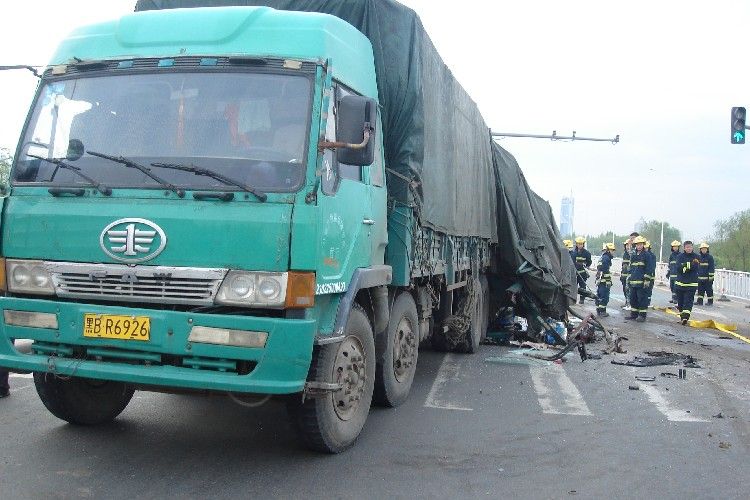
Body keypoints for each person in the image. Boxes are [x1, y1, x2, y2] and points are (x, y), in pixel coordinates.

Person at [626, 236, 654, 322]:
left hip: (642, 282)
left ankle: (642, 315)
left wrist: (647, 280)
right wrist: (629, 278)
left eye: (640, 244)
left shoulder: (647, 255)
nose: (639, 246)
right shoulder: (633, 255)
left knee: (642, 299)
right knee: (633, 298)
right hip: (633, 281)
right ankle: (634, 314)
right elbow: (631, 268)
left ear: (643, 245)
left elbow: (649, 268)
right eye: (637, 244)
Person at [675, 241, 700, 324]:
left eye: (690, 247)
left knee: (688, 301)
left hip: (691, 283)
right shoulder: (679, 256)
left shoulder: (696, 257)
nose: (689, 248)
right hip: (680, 283)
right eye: (687, 247)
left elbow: (695, 267)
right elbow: (678, 268)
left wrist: (685, 266)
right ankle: (682, 317)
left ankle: (685, 317)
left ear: (692, 247)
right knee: (680, 302)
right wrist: (689, 265)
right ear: (684, 248)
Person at [596, 243, 615, 317]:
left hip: (600, 281)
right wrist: (608, 281)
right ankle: (602, 311)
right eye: (612, 250)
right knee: (604, 296)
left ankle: (598, 309)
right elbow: (605, 271)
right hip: (604, 281)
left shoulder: (602, 257)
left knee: (599, 295)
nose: (613, 252)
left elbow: (599, 270)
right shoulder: (606, 258)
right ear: (608, 250)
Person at [571, 236, 592, 304]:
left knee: (582, 286)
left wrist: (586, 265)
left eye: (581, 244)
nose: (580, 245)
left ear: (583, 244)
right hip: (574, 273)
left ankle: (582, 299)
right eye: (578, 244)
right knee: (573, 287)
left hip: (582, 274)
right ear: (576, 244)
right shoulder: (573, 253)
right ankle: (573, 299)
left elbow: (589, 262)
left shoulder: (587, 253)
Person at [644, 240, 657, 306]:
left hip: (651, 276)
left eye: (646, 248)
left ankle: (648, 302)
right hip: (643, 276)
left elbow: (652, 266)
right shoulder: (642, 255)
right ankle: (644, 301)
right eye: (645, 248)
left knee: (649, 289)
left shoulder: (652, 256)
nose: (645, 249)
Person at [620, 239, 632, 309]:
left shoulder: (632, 254)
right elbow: (623, 266)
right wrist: (622, 275)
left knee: (629, 290)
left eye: (629, 245)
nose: (627, 246)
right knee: (625, 289)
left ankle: (630, 303)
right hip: (624, 275)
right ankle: (627, 302)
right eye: (626, 245)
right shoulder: (625, 254)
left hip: (630, 276)